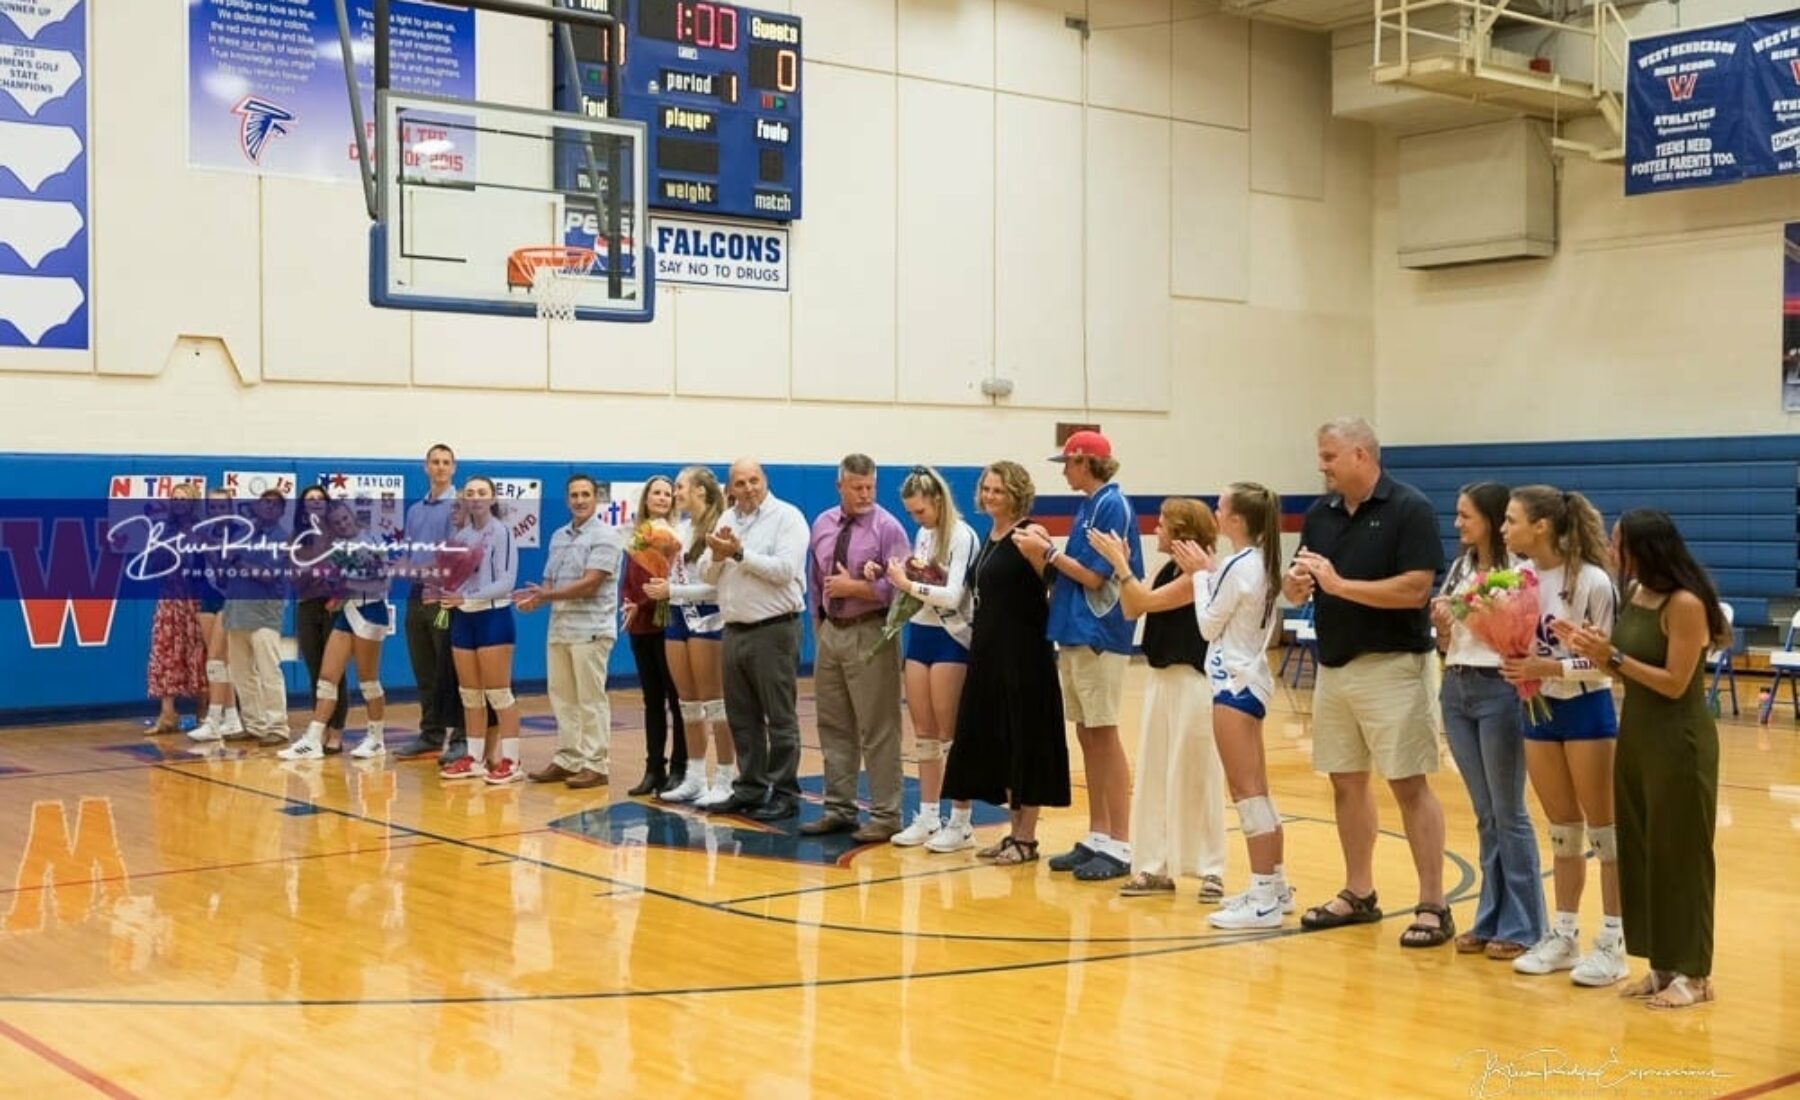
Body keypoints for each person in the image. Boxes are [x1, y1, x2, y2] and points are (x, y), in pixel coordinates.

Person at [1287, 417, 1451, 948]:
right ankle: (1359, 891)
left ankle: (1433, 903)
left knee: (1408, 783)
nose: (1322, 465)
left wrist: (1340, 585)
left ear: (1361, 455)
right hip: (1334, 667)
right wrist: (1297, 586)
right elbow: (1302, 589)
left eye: (1330, 456)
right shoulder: (1320, 514)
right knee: (1345, 780)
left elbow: (1415, 590)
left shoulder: (1410, 509)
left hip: (1395, 666)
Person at [1557, 510, 1724, 1010]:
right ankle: (1661, 966)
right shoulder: (1634, 595)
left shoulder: (1686, 604)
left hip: (1680, 739)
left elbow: (1674, 683)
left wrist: (1613, 657)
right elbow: (1620, 664)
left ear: (1645, 550)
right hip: (1638, 736)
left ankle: (1695, 975)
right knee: (1642, 851)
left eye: (1617, 543)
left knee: (1682, 856)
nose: (1610, 551)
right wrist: (1590, 649)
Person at [1500, 485, 1625, 986]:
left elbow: (1608, 662)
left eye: (1511, 520)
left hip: (1586, 708)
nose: (1504, 529)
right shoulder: (1518, 580)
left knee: (1606, 833)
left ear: (1542, 526)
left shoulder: (1592, 580)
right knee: (1562, 828)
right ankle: (1565, 934)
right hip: (1539, 709)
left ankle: (1613, 940)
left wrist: (1551, 664)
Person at [1013, 430, 1142, 882]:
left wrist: (1046, 552)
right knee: (1088, 735)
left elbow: (1093, 576)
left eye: (1067, 464)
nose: (1063, 472)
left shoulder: (1111, 505)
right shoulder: (1090, 504)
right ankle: (1099, 835)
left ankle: (1121, 842)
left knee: (1104, 735)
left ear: (1085, 462)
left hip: (1099, 633)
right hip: (1075, 631)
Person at [1088, 498, 1229, 901]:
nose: (1156, 530)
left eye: (1164, 524)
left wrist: (1121, 566)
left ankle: (1211, 869)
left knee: (1199, 776)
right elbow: (1132, 609)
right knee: (1154, 774)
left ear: (1183, 531)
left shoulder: (1202, 572)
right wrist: (1125, 569)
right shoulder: (1167, 568)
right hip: (1160, 679)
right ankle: (1153, 866)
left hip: (1195, 683)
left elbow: (1144, 601)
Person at [1430, 482, 1544, 961]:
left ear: (1492, 519)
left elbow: (1524, 638)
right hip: (1456, 687)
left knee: (1508, 811)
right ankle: (1490, 915)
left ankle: (1524, 923)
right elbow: (1446, 640)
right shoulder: (1459, 568)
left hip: (1498, 689)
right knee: (1484, 813)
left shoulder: (1519, 572)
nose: (1457, 524)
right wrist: (1441, 624)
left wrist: (1486, 617)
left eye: (1466, 516)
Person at [941, 461, 1070, 865]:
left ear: (1016, 493)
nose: (991, 496)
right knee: (1000, 743)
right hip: (989, 654)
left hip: (1024, 655)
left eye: (999, 490)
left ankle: (1026, 838)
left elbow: (1055, 586)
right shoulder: (992, 535)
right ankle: (1013, 833)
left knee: (1024, 742)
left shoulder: (1031, 534)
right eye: (987, 489)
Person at [802, 454, 911, 842]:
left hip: (872, 632)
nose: (865, 494)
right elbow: (816, 581)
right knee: (833, 724)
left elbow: (905, 591)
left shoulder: (888, 528)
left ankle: (886, 814)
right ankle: (839, 808)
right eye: (857, 487)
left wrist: (859, 589)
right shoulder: (823, 524)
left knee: (878, 726)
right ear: (840, 487)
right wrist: (820, 631)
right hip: (832, 632)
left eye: (871, 487)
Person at [702, 460, 809, 821]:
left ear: (765, 482)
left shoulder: (788, 517)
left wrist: (738, 553)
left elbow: (784, 572)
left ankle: (784, 792)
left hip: (774, 628)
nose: (748, 488)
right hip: (734, 628)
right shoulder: (726, 519)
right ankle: (748, 787)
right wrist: (717, 556)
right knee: (742, 716)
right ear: (729, 488)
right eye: (740, 483)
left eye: (754, 481)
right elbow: (706, 572)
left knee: (779, 715)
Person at [885, 465, 981, 852]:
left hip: (951, 636)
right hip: (921, 634)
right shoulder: (924, 534)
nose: (916, 519)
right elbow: (922, 579)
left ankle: (961, 820)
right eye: (910, 513)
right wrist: (896, 573)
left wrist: (909, 584)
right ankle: (927, 815)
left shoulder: (962, 535)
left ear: (938, 500)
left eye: (920, 511)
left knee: (948, 731)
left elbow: (953, 594)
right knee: (923, 730)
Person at [520, 473, 622, 790]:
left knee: (590, 699)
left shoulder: (607, 535)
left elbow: (591, 584)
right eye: (574, 495)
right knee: (563, 697)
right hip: (560, 628)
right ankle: (568, 758)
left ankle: (596, 764)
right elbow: (549, 579)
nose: (579, 500)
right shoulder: (558, 536)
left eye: (585, 495)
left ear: (596, 498)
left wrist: (546, 595)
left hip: (591, 628)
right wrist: (536, 599)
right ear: (567, 500)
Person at [280, 500, 398, 761]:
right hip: (347, 613)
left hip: (371, 612)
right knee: (327, 677)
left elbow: (383, 582)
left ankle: (376, 738)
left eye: (345, 519)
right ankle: (312, 739)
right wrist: (336, 593)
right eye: (336, 522)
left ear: (353, 517)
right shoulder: (336, 548)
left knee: (368, 681)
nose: (342, 524)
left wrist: (347, 583)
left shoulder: (373, 539)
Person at [651, 466, 737, 807]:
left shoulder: (720, 527)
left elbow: (717, 586)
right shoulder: (681, 529)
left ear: (702, 490)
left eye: (681, 486)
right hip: (676, 616)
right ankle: (694, 777)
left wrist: (672, 590)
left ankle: (726, 778)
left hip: (707, 617)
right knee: (687, 703)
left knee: (715, 702)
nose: (675, 492)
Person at [436, 476, 524, 784]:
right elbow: (455, 577)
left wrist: (468, 597)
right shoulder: (460, 535)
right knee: (470, 695)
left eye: (482, 493)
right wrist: (444, 592)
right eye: (470, 493)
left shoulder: (503, 532)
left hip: (492, 618)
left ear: (492, 498)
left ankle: (511, 761)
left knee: (499, 693)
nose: (476, 498)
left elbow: (506, 582)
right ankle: (474, 757)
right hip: (463, 619)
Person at [395, 444, 467, 766]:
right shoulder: (414, 510)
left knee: (448, 669)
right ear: (425, 467)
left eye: (445, 462)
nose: (439, 467)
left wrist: (420, 571)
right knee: (424, 668)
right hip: (417, 595)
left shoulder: (458, 507)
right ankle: (430, 734)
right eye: (434, 462)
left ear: (453, 468)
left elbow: (452, 556)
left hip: (443, 598)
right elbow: (410, 554)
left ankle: (462, 738)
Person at [619, 476, 687, 796]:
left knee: (676, 699)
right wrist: (629, 604)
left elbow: (673, 581)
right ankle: (653, 769)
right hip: (640, 625)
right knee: (651, 701)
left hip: (667, 623)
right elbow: (628, 579)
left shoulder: (678, 536)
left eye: (667, 494)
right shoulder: (635, 538)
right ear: (646, 498)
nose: (661, 498)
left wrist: (644, 601)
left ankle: (680, 767)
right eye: (656, 493)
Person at [221, 489, 293, 749]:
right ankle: (254, 724)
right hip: (237, 609)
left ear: (282, 511)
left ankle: (278, 726)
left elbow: (269, 575)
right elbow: (226, 567)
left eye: (275, 505)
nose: (268, 509)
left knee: (268, 670)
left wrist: (238, 562)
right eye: (265, 503)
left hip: (264, 613)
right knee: (241, 672)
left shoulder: (282, 539)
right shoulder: (242, 533)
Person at [144, 484, 208, 735]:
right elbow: (151, 567)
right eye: (175, 499)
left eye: (185, 499)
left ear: (193, 503)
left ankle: (203, 711)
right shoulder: (163, 531)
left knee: (199, 653)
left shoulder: (203, 532)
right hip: (170, 599)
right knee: (165, 653)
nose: (179, 503)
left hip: (195, 600)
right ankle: (167, 713)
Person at [292, 485, 349, 753]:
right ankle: (320, 728)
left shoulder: (338, 534)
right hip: (306, 606)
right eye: (309, 500)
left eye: (319, 499)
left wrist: (335, 588)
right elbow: (294, 576)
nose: (315, 503)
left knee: (334, 673)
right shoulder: (297, 538)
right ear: (303, 506)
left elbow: (347, 570)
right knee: (315, 671)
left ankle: (336, 732)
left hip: (333, 607)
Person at [186, 488, 244, 743]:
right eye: (213, 508)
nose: (217, 512)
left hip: (230, 596)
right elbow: (197, 569)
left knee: (217, 657)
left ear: (231, 509)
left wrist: (210, 548)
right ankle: (231, 718)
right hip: (208, 595)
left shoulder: (240, 534)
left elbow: (223, 572)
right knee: (219, 662)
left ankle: (213, 718)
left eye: (222, 508)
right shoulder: (203, 533)